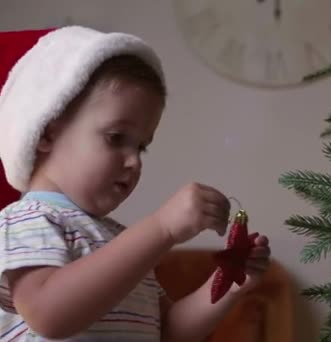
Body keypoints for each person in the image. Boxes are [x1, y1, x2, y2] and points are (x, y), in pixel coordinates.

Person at [0, 26, 271, 341]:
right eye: (116, 138)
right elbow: (48, 315)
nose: (135, 161)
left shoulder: (119, 240)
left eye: (141, 146)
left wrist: (232, 281)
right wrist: (162, 228)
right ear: (47, 133)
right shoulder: (24, 220)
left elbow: (168, 330)